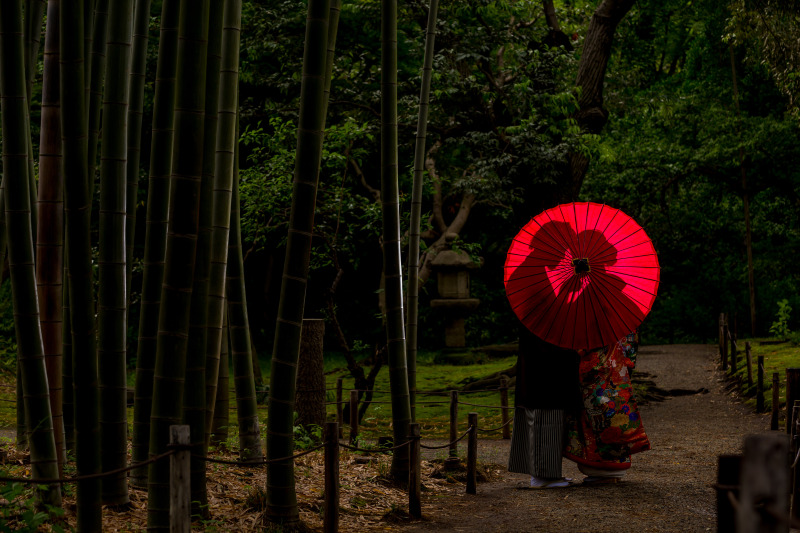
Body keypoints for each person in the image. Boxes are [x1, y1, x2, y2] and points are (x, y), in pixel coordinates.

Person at [564, 331, 650, 484]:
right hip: (617, 371)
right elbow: (629, 350)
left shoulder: (591, 322)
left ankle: (604, 469)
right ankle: (614, 467)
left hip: (598, 374)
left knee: (598, 419)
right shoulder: (621, 321)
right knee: (614, 416)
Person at [507, 327, 582, 489]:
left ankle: (549, 474)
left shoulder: (537, 318)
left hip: (540, 377)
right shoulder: (543, 323)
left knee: (548, 425)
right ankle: (543, 476)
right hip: (544, 380)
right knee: (545, 424)